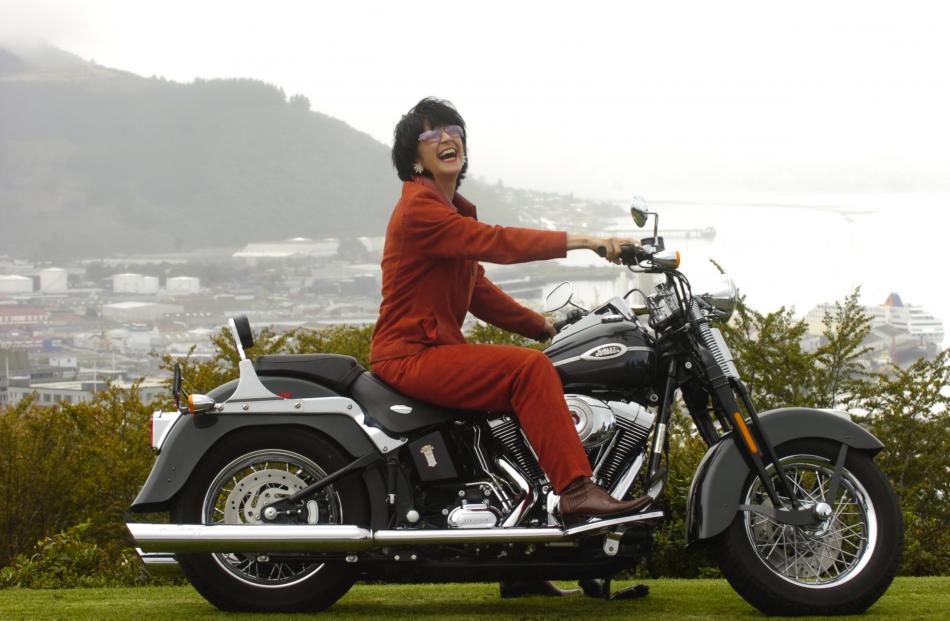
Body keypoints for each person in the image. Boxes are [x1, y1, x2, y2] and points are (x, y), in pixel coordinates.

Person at [370, 97, 651, 525]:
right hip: (410, 355)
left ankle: (523, 543)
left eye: (453, 131)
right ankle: (576, 490)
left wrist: (543, 325)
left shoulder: (447, 210)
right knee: (529, 371)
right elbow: (499, 243)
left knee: (516, 394)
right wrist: (586, 241)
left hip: (429, 351)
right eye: (432, 134)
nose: (446, 139)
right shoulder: (420, 210)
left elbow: (477, 288)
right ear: (415, 158)